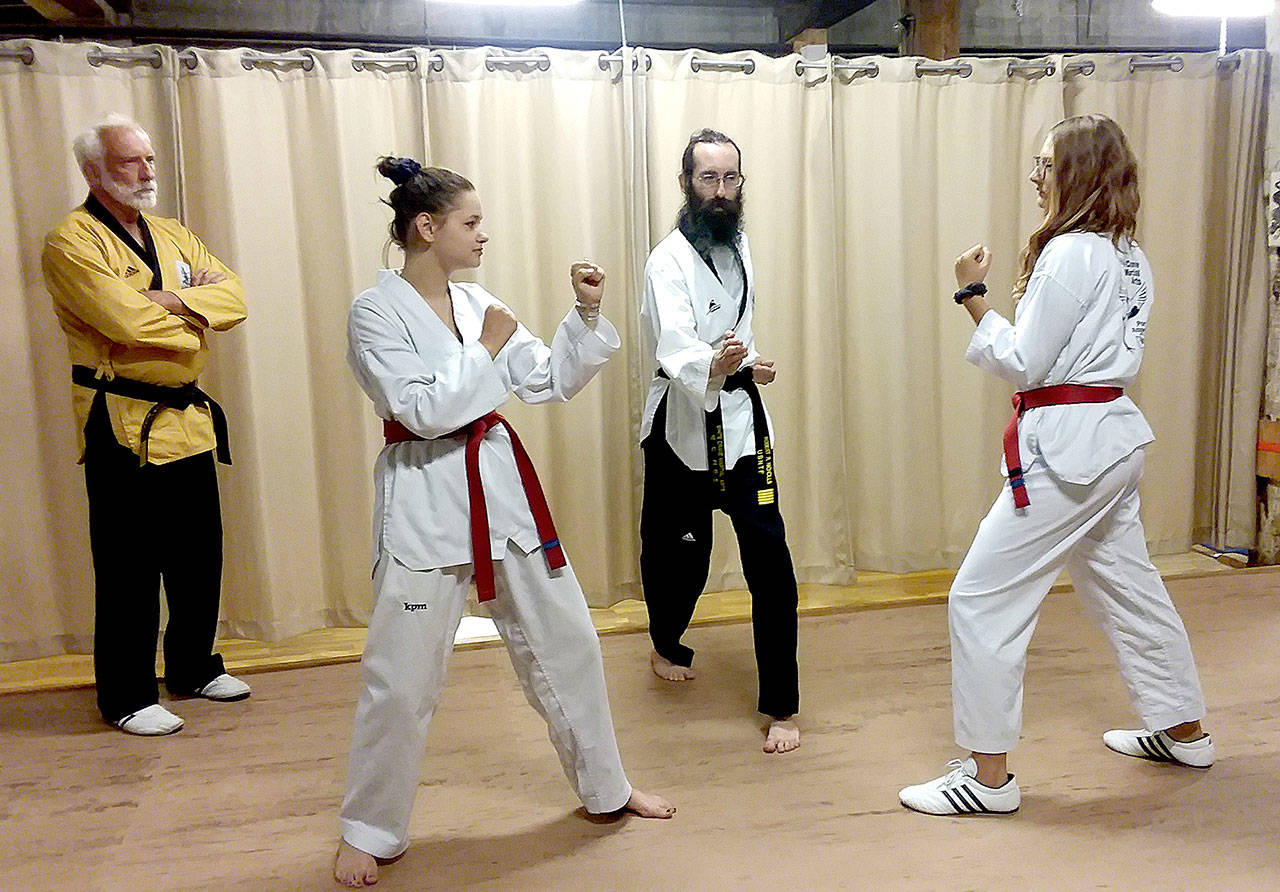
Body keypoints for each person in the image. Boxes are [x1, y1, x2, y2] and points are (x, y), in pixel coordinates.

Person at [334, 157, 675, 887]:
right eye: (471, 222)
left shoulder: (476, 299)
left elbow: (547, 380)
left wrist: (583, 317)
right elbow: (420, 410)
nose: (482, 235)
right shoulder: (375, 310)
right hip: (426, 497)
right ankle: (369, 830)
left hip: (498, 490)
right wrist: (485, 347)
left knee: (570, 645)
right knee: (402, 680)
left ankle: (606, 790)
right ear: (427, 228)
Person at [898, 114, 1214, 816]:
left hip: (1071, 452)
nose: (1036, 177)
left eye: (1046, 164)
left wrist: (971, 297)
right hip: (1112, 444)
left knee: (980, 598)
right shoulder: (1128, 252)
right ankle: (1184, 729)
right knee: (1129, 588)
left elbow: (1024, 361)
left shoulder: (1071, 253)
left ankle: (986, 781)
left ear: (1078, 171)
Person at [41, 114, 250, 737]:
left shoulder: (173, 234)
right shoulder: (72, 241)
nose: (147, 171)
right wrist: (193, 313)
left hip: (185, 419)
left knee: (197, 554)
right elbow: (126, 324)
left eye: (149, 159)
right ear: (93, 172)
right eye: (131, 161)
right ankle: (127, 695)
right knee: (129, 566)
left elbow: (235, 298)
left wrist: (169, 303)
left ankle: (192, 666)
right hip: (121, 421)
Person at [639, 129, 800, 754]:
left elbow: (739, 330)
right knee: (679, 553)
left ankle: (782, 704)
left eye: (731, 179)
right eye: (709, 178)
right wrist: (715, 365)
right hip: (681, 426)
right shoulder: (666, 261)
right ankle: (665, 642)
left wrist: (748, 362)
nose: (722, 191)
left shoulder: (740, 248)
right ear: (687, 184)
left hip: (740, 429)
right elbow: (677, 348)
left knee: (772, 564)